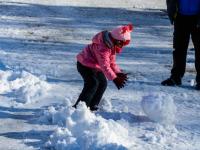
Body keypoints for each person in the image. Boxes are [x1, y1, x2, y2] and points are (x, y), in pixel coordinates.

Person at [73, 24, 133, 111]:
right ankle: (79, 108)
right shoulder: (103, 47)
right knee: (92, 83)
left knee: (103, 83)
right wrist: (114, 78)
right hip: (84, 65)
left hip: (95, 66)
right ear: (117, 40)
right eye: (122, 43)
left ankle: (92, 105)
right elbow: (105, 65)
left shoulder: (111, 46)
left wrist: (118, 73)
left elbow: (111, 63)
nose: (122, 46)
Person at [161, 0, 200, 90]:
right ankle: (176, 78)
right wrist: (172, 12)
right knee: (179, 49)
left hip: (198, 17)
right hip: (180, 17)